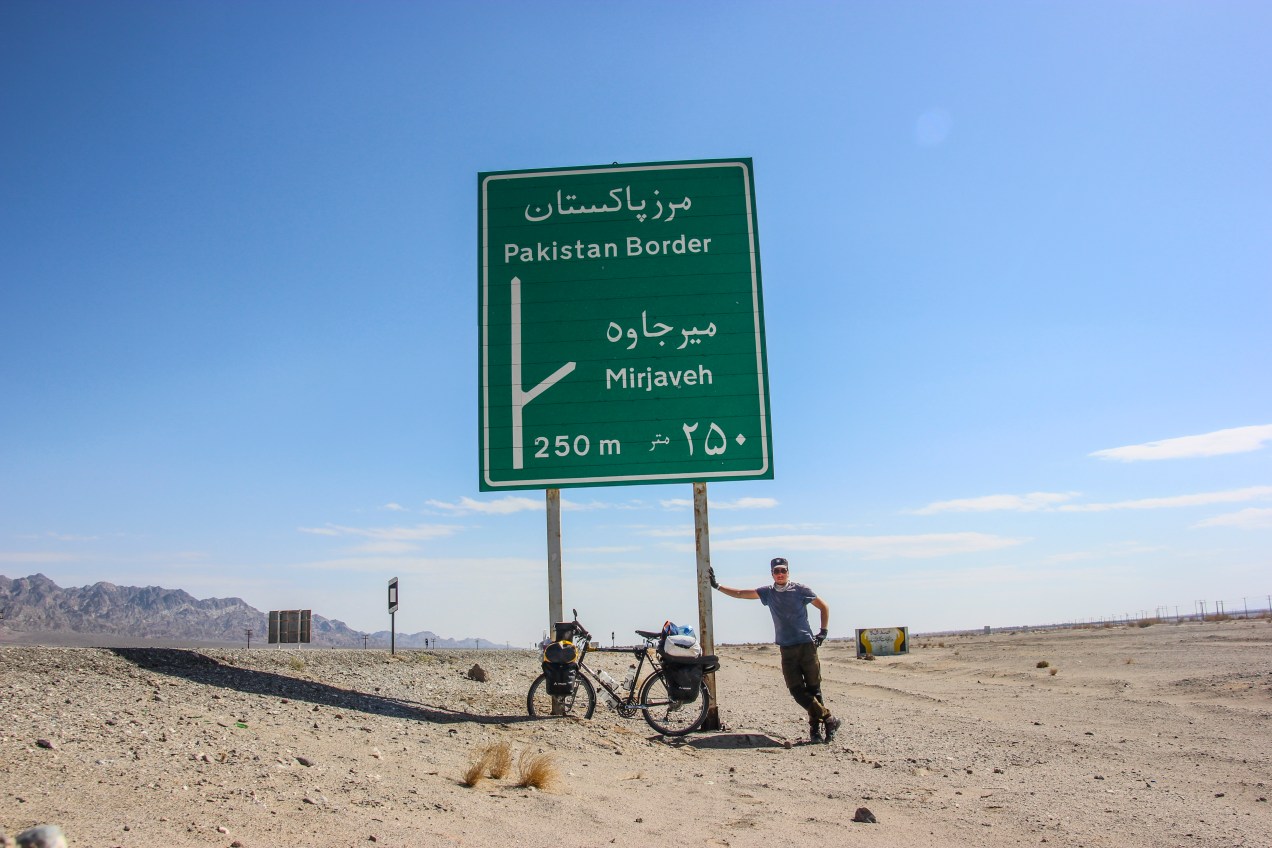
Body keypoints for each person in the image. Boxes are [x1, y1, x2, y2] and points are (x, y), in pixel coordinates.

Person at [709, 557, 842, 743]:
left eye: (783, 571)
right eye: (776, 571)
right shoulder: (768, 593)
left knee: (814, 689)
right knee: (796, 689)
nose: (780, 574)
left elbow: (823, 606)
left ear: (788, 572)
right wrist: (717, 586)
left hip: (806, 645)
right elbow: (740, 593)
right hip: (786, 648)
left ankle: (817, 732)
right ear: (772, 574)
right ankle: (829, 719)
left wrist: (823, 632)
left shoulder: (801, 590)